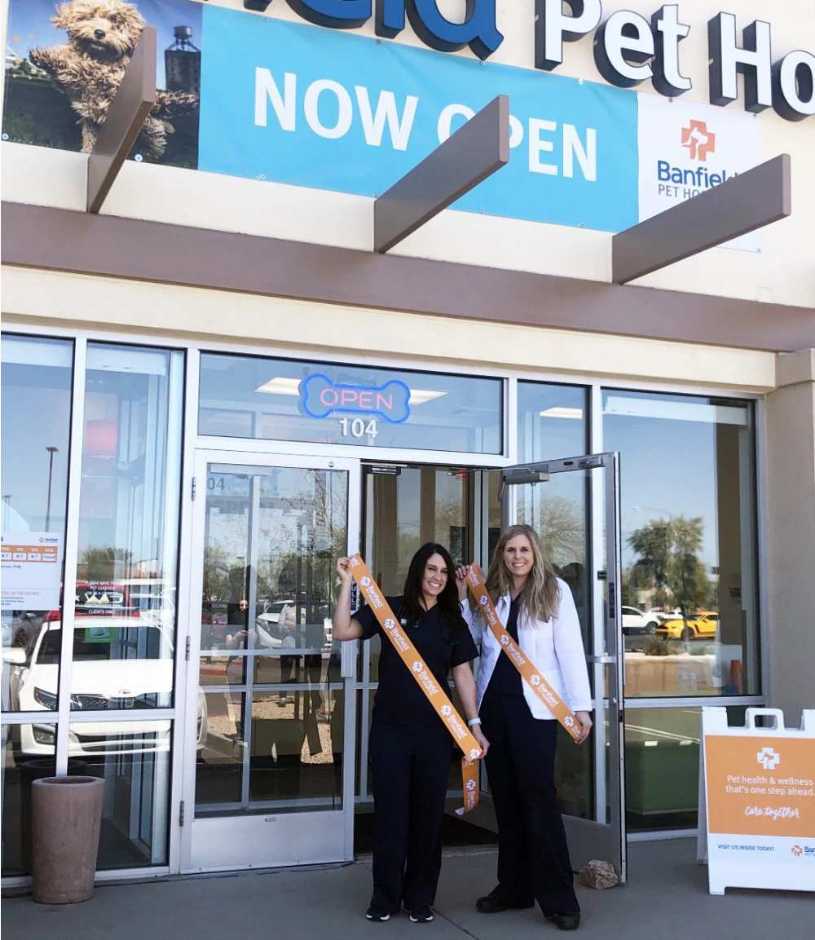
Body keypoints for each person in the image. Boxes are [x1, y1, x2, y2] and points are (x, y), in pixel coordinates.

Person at [333, 543, 489, 924]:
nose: (436, 577)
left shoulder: (453, 620)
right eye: (430, 569)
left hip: (434, 735)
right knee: (390, 818)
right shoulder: (391, 609)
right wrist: (345, 584)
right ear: (419, 570)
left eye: (443, 572)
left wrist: (474, 726)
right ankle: (384, 899)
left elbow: (463, 675)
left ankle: (421, 899)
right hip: (390, 732)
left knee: (426, 819)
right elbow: (343, 630)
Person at [456, 524, 592, 932]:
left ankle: (559, 899)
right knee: (508, 802)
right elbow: (475, 639)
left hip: (536, 711)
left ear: (535, 553)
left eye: (524, 549)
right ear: (502, 554)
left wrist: (580, 707)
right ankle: (513, 888)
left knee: (539, 801)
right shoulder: (492, 593)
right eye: (510, 550)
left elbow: (570, 650)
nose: (517, 556)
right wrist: (465, 599)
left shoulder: (555, 592)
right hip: (493, 708)